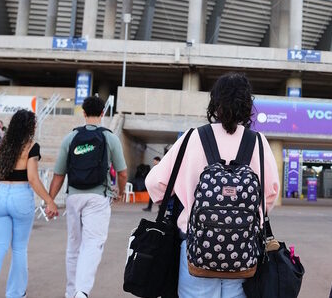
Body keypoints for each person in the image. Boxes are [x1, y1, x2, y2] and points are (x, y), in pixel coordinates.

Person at [145, 72, 280, 298]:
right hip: (243, 248)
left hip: (195, 246)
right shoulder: (257, 141)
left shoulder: (192, 137)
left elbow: (154, 182)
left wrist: (181, 202)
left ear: (215, 103)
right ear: (248, 105)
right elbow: (270, 193)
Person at [0, 109, 58, 298]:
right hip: (20, 196)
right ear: (31, 126)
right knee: (19, 248)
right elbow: (33, 179)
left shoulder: (3, 145)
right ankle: (16, 293)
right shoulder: (31, 146)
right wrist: (49, 201)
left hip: (0, 196)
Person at [48, 96, 128, 298]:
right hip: (98, 197)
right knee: (93, 243)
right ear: (103, 113)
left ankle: (70, 291)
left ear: (83, 113)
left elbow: (59, 173)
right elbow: (122, 172)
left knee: (74, 245)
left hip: (73, 196)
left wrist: (50, 200)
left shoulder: (70, 138)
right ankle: (82, 291)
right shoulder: (110, 138)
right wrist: (121, 191)